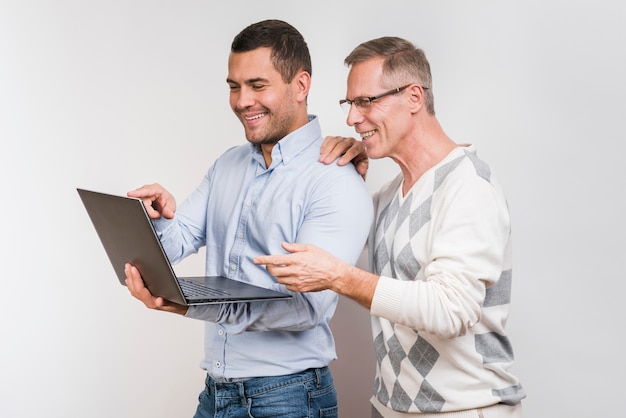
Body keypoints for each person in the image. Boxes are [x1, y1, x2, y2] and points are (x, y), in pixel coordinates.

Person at [254, 36, 526, 417]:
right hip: (388, 407)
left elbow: (450, 310)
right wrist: (345, 183)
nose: (351, 118)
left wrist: (339, 277)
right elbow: (329, 245)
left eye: (366, 101)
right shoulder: (387, 195)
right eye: (349, 104)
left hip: (465, 410)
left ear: (414, 97)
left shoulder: (469, 187)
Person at [123, 19, 373, 418]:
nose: (242, 101)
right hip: (216, 394)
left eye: (258, 86)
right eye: (234, 86)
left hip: (288, 398)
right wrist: (151, 220)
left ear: (301, 85)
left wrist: (191, 304)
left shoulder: (335, 181)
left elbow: (306, 307)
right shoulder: (228, 165)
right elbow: (176, 241)